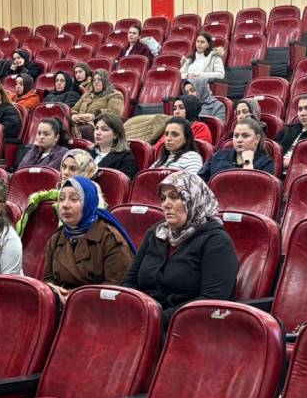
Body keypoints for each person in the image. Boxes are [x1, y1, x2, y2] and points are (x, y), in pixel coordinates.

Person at [123, 170, 238, 324]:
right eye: (163, 198)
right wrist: (132, 311)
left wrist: (159, 319)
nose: (166, 204)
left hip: (189, 325)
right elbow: (129, 282)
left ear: (193, 199)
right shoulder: (156, 232)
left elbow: (211, 301)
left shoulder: (216, 241)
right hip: (145, 319)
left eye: (174, 197)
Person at [42, 176, 135, 294]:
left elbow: (116, 289)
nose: (65, 205)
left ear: (88, 203)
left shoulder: (110, 239)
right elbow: (48, 279)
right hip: (59, 303)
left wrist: (71, 296)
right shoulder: (55, 238)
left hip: (97, 303)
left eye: (73, 199)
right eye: (62, 199)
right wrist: (54, 290)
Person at [15, 150, 97, 234]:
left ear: (85, 172)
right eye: (64, 167)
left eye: (72, 169)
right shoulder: (45, 197)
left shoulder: (93, 201)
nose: (65, 172)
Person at [200, 117, 275, 179]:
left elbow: (251, 189)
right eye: (236, 136)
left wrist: (248, 162)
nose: (239, 140)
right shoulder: (217, 157)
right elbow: (199, 183)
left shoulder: (265, 164)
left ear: (257, 139)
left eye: (245, 136)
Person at [71, 69, 126, 133]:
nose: (96, 82)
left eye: (99, 80)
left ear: (105, 81)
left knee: (80, 130)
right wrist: (74, 116)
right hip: (81, 123)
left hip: (101, 126)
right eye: (94, 80)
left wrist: (93, 116)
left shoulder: (115, 94)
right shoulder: (87, 94)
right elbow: (74, 109)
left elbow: (114, 112)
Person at [91, 112, 138, 178]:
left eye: (104, 130)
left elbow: (124, 183)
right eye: (96, 128)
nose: (97, 133)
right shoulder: (87, 152)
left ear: (116, 134)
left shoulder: (127, 159)